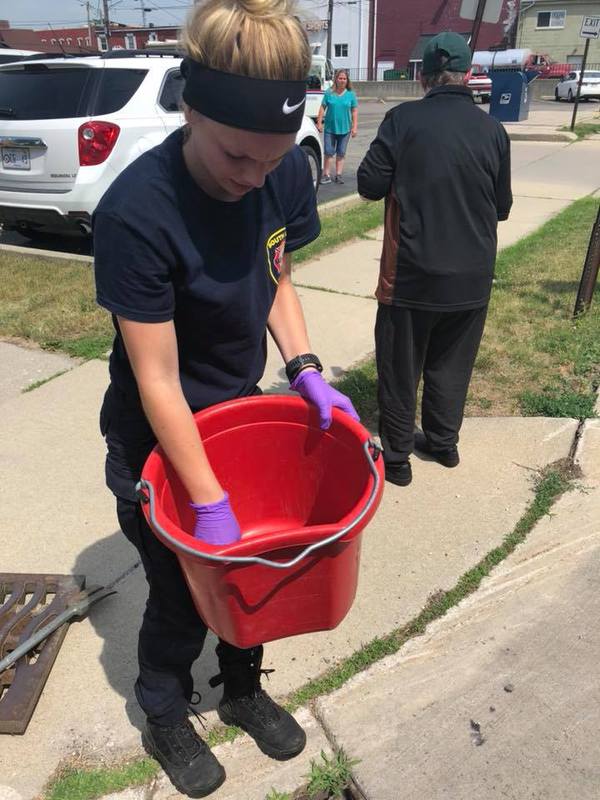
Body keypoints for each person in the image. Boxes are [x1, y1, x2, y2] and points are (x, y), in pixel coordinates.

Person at [93, 0, 359, 796]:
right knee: (182, 593)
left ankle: (241, 688)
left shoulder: (279, 172)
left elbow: (275, 270)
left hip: (238, 413)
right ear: (190, 109)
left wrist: (305, 365)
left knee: (260, 577)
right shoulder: (139, 211)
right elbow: (158, 378)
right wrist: (208, 508)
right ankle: (164, 707)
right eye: (237, 157)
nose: (253, 178)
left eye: (271, 161)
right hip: (158, 438)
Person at [357, 32, 512, 487]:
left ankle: (400, 457)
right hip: (473, 277)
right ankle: (444, 444)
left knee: (401, 365)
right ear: (467, 75)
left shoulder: (402, 120)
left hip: (412, 274)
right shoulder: (493, 130)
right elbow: (501, 207)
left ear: (423, 76)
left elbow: (368, 183)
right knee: (452, 362)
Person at [316, 69, 358, 184]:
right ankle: (326, 175)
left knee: (341, 152)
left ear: (347, 80)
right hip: (330, 128)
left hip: (345, 130)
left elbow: (354, 111)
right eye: (340, 78)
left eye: (344, 78)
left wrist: (354, 127)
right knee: (328, 152)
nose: (342, 80)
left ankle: (338, 175)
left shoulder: (351, 94)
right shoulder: (329, 92)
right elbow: (322, 108)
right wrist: (319, 122)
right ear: (336, 79)